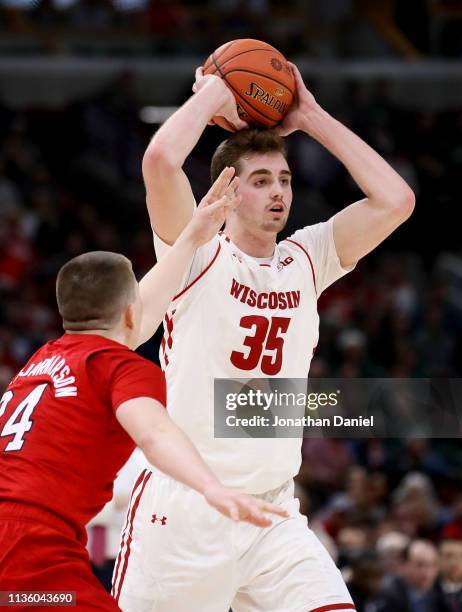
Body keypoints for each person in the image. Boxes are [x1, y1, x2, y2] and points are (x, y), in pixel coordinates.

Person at [115, 61, 415, 612]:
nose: (278, 192)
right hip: (185, 512)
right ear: (228, 192)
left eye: (284, 180)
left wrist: (312, 116)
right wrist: (214, 94)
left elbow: (396, 201)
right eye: (260, 181)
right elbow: (159, 162)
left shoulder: (307, 257)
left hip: (273, 512)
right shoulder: (198, 253)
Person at [0, 170, 287, 611]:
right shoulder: (119, 366)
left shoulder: (43, 360)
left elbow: (134, 309)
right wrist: (212, 488)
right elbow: (153, 434)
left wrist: (193, 235)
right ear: (132, 313)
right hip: (30, 547)